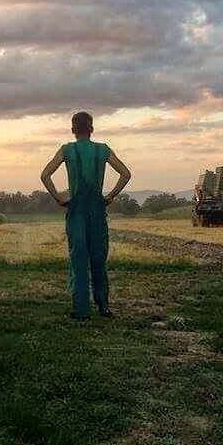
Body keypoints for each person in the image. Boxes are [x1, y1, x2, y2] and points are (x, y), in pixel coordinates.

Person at [40, 111, 131, 321]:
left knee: (78, 258)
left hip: (76, 211)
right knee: (99, 258)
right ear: (92, 129)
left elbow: (45, 175)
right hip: (97, 211)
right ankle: (103, 306)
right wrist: (110, 196)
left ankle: (81, 310)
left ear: (73, 130)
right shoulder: (103, 150)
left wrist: (59, 198)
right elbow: (126, 174)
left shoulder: (67, 150)